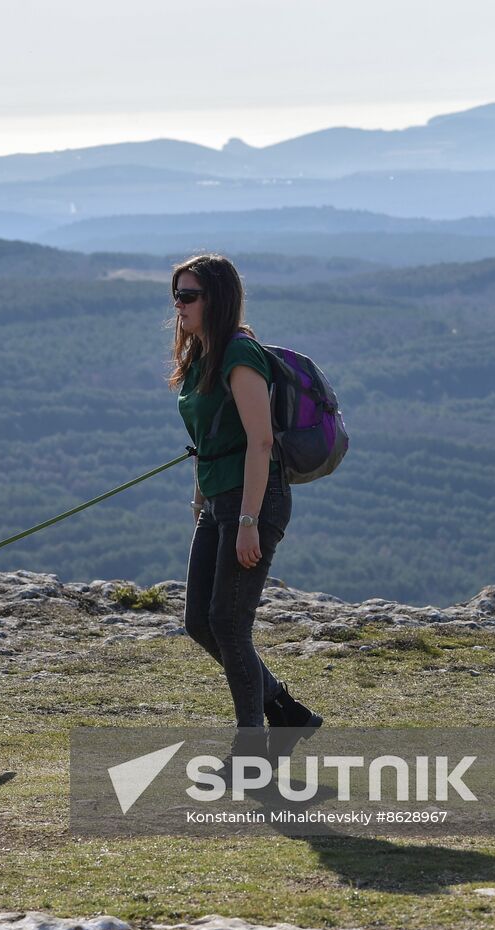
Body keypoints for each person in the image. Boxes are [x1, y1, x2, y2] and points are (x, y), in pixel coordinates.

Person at [169, 254, 322, 751]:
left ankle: (251, 749)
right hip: (218, 500)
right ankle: (284, 709)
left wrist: (250, 521)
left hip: (253, 502)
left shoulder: (239, 355)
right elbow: (213, 437)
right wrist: (201, 494)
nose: (179, 305)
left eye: (189, 296)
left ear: (217, 299)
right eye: (176, 295)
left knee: (230, 627)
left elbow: (260, 442)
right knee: (200, 621)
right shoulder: (201, 355)